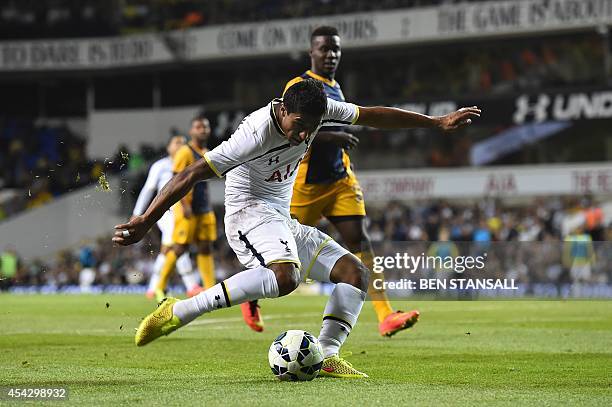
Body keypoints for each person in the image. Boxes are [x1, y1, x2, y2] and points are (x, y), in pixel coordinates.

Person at [113, 79, 480, 378]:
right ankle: (178, 312)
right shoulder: (255, 133)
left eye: (312, 129)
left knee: (354, 273)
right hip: (247, 214)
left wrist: (435, 122)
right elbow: (192, 173)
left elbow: (372, 115)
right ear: (283, 110)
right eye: (299, 127)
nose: (304, 136)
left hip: (279, 218)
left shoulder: (317, 111)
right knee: (285, 278)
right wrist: (146, 219)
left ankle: (326, 354)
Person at [284, 26, 419, 336]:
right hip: (306, 185)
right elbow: (291, 131)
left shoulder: (335, 87)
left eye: (336, 50)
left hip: (339, 180)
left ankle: (385, 314)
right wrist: (334, 137)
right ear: (312, 52)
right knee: (282, 249)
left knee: (361, 241)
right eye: (324, 49)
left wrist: (341, 152)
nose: (330, 55)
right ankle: (250, 296)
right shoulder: (300, 85)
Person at [132, 134, 203, 299]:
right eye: (176, 142)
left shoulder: (189, 164)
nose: (180, 146)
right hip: (165, 210)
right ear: (168, 147)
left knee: (167, 248)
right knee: (178, 242)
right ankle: (191, 285)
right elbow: (148, 189)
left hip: (183, 209)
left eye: (183, 143)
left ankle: (153, 287)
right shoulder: (160, 165)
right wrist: (137, 212)